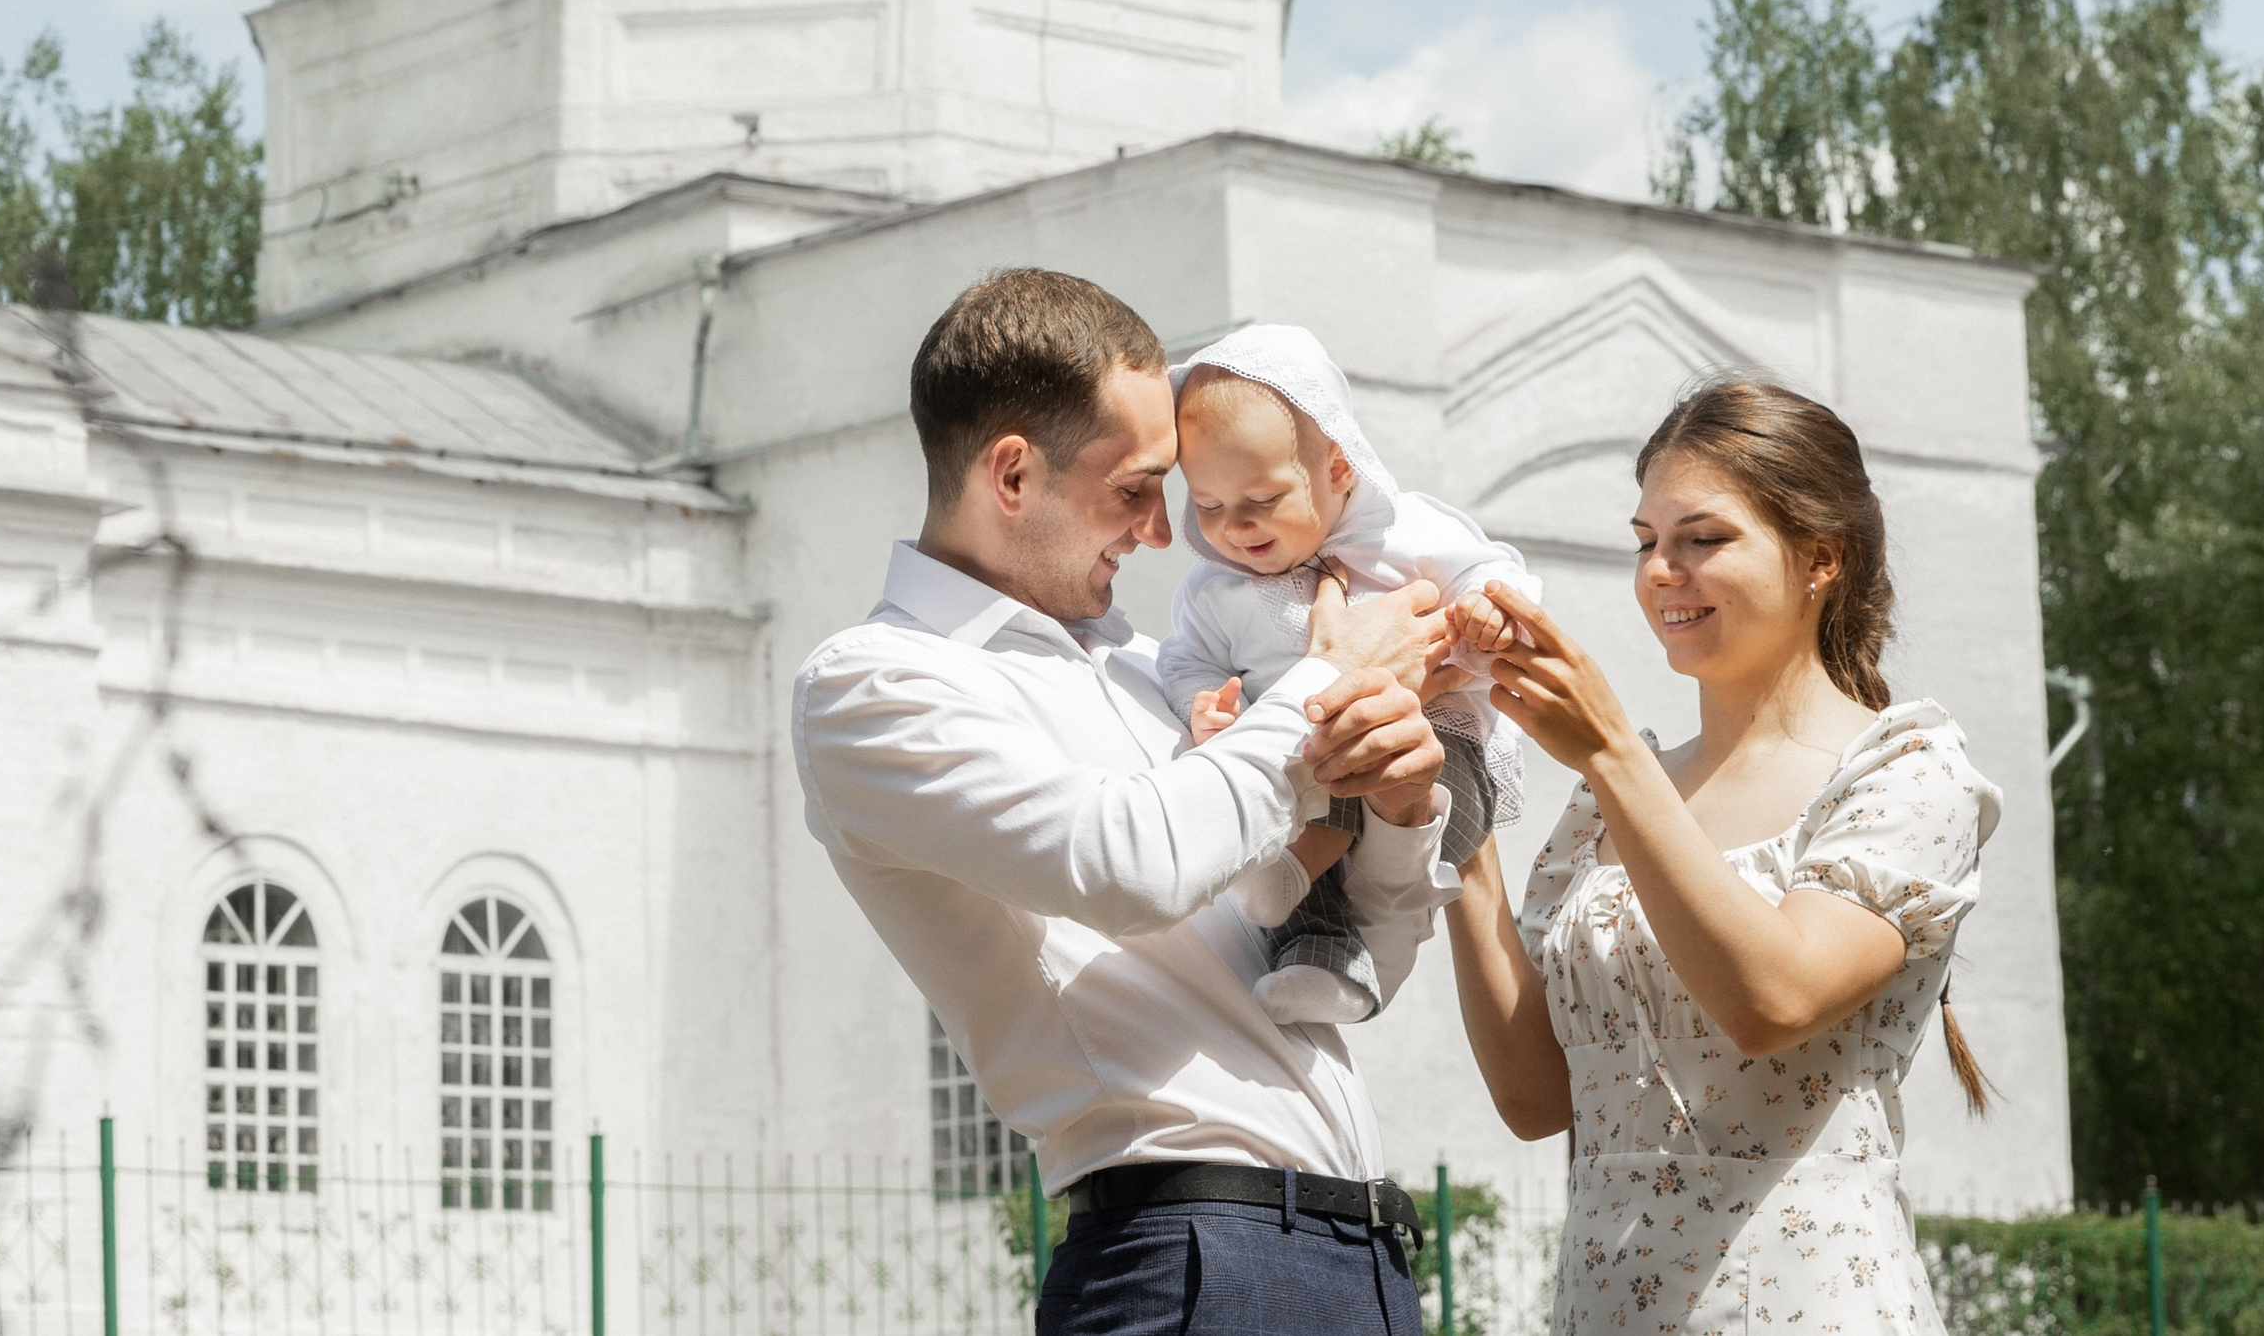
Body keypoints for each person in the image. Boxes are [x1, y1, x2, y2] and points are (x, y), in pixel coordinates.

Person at [794, 270, 1464, 1335]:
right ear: (1012, 473)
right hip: (1189, 1259)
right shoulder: (875, 686)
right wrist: (1325, 686)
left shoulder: (1157, 671)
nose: (1165, 532)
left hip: (1354, 1260)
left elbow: (1353, 949)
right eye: (1137, 487)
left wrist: (1396, 798)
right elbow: (1126, 866)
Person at [1443, 375, 2002, 1333]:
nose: (1663, 569)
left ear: (1822, 557)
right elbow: (1535, 1097)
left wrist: (1613, 753)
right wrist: (1458, 812)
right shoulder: (1607, 800)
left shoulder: (1907, 771)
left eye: (1703, 539)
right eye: (1645, 543)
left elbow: (1770, 1000)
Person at [1156, 325, 1539, 1027]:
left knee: (1339, 748)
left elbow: (1496, 571)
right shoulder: (1214, 590)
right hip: (1309, 766)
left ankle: (1293, 870)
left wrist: (1487, 609)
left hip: (1443, 763)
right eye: (1208, 506)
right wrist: (1203, 707)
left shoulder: (1405, 534)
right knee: (1307, 758)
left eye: (1262, 500)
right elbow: (1186, 661)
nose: (1235, 526)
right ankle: (1326, 963)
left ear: (1338, 469)